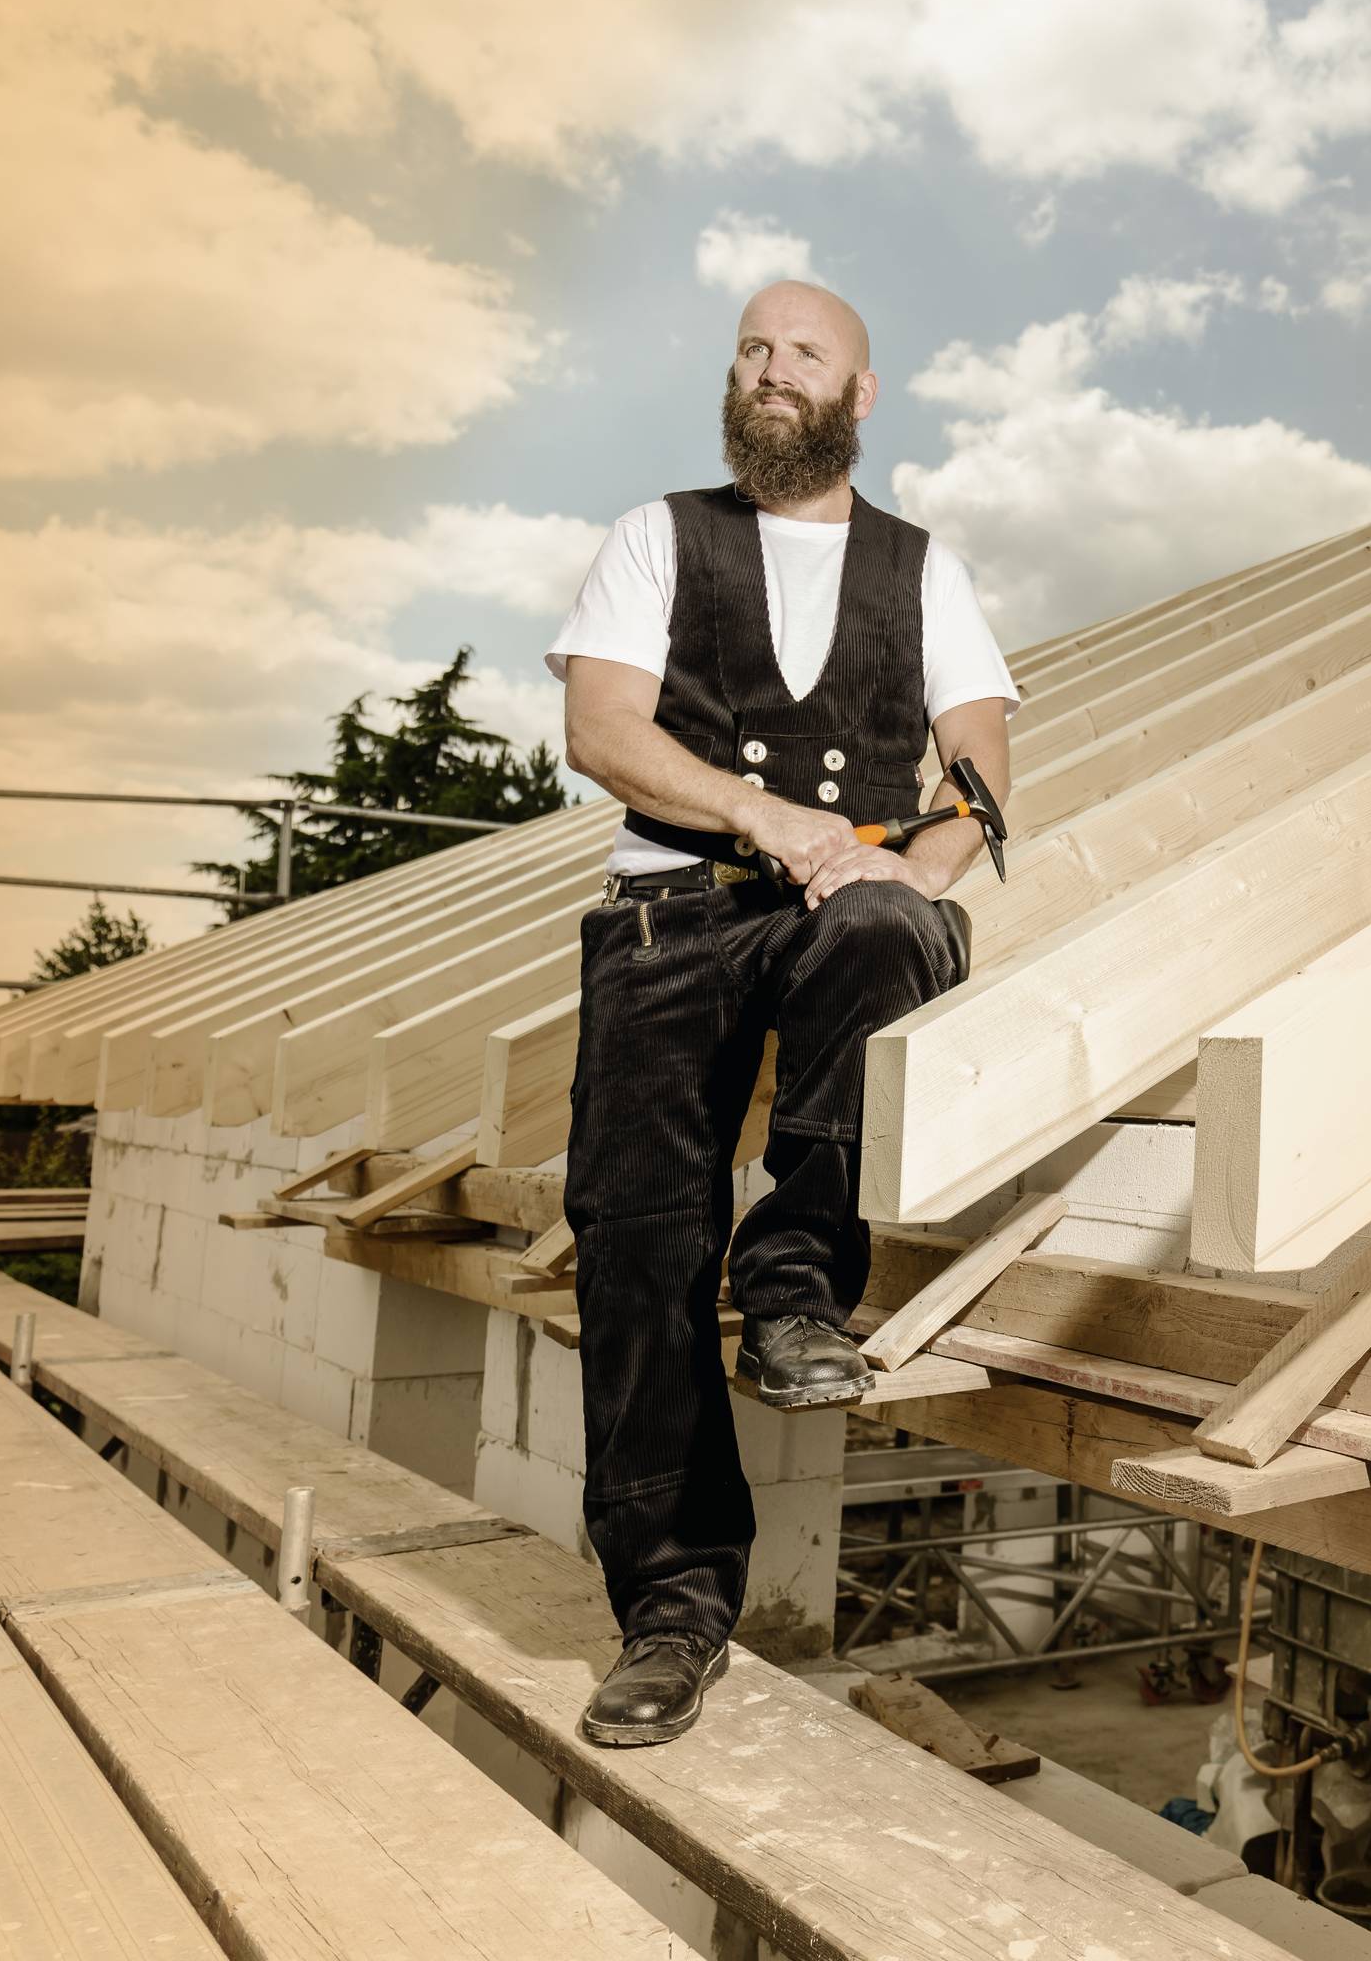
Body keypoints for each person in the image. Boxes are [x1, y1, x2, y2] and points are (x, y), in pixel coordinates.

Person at [545, 279, 1016, 1745]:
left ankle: (801, 1285)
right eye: (752, 350)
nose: (771, 372)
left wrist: (923, 869)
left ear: (859, 395)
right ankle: (674, 1614)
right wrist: (766, 819)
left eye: (803, 354)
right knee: (637, 1251)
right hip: (669, 921)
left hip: (835, 918)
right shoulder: (659, 538)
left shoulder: (921, 570)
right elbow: (603, 730)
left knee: (893, 922)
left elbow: (981, 760)